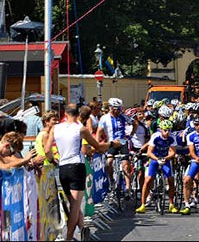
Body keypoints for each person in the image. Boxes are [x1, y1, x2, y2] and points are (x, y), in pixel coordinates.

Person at [44, 103, 116, 241]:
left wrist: (53, 161)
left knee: (73, 205)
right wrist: (113, 144)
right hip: (76, 166)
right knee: (75, 207)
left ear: (65, 114)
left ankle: (82, 230)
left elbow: (48, 151)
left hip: (63, 167)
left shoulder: (55, 128)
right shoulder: (81, 129)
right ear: (77, 115)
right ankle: (69, 238)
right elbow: (98, 147)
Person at [135, 119, 179, 214]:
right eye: (165, 130)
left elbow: (173, 152)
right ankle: (142, 204)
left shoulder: (172, 137)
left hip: (165, 159)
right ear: (161, 129)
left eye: (169, 130)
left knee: (171, 180)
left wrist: (165, 158)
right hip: (154, 158)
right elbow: (149, 152)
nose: (167, 132)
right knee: (148, 179)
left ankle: (171, 204)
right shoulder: (155, 136)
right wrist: (157, 159)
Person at [96, 97, 136, 199]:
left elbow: (135, 123)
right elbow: (99, 132)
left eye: (119, 108)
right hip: (111, 143)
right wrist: (97, 143)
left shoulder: (123, 116)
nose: (118, 110)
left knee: (126, 166)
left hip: (122, 142)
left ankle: (128, 188)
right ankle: (112, 181)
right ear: (110, 108)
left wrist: (130, 135)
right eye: (115, 108)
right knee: (109, 162)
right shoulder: (104, 118)